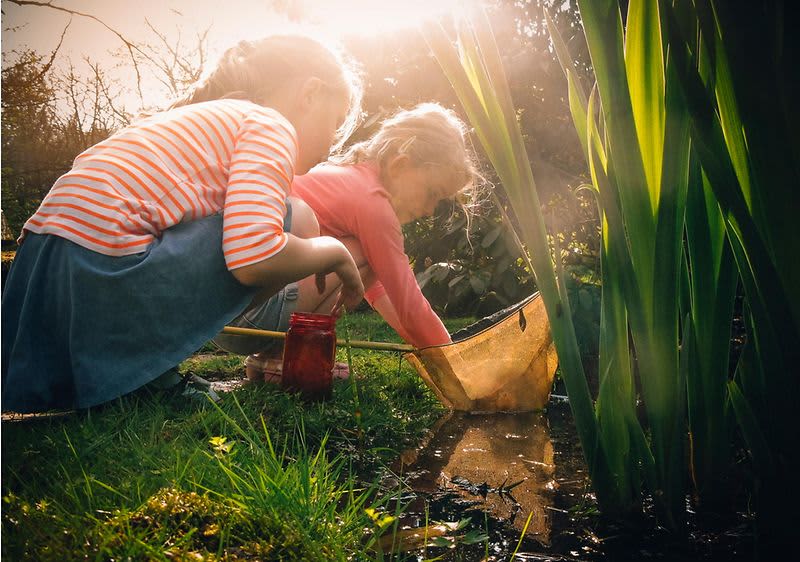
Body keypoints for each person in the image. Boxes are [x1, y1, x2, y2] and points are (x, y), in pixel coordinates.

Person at [1, 34, 366, 413]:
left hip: (39, 275)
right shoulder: (270, 123)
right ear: (310, 94)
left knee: (258, 218)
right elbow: (254, 256)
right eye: (336, 124)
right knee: (289, 218)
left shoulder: (200, 120)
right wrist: (333, 251)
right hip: (102, 270)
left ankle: (133, 371)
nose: (333, 144)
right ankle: (149, 375)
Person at [214, 103, 478, 382]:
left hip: (224, 315)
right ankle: (286, 358)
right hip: (249, 315)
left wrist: (427, 347)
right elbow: (409, 303)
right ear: (401, 165)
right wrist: (457, 363)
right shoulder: (373, 204)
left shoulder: (347, 178)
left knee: (360, 255)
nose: (430, 209)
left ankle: (269, 358)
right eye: (432, 193)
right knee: (360, 252)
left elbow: (382, 294)